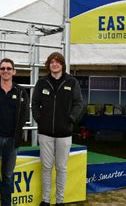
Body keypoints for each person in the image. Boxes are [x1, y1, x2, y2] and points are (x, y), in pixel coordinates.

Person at [31, 52, 84, 206]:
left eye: (58, 62)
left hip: (64, 133)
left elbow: (79, 104)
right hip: (45, 133)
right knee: (46, 167)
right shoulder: (42, 82)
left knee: (61, 168)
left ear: (62, 65)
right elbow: (34, 103)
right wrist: (39, 119)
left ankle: (60, 201)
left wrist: (71, 119)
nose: (55, 64)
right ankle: (46, 201)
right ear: (49, 64)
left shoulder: (71, 82)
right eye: (52, 62)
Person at [0, 58, 29, 206]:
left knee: (8, 177)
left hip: (12, 141)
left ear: (14, 71)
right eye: (3, 68)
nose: (6, 71)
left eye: (9, 68)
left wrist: (17, 135)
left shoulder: (21, 92)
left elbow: (24, 115)